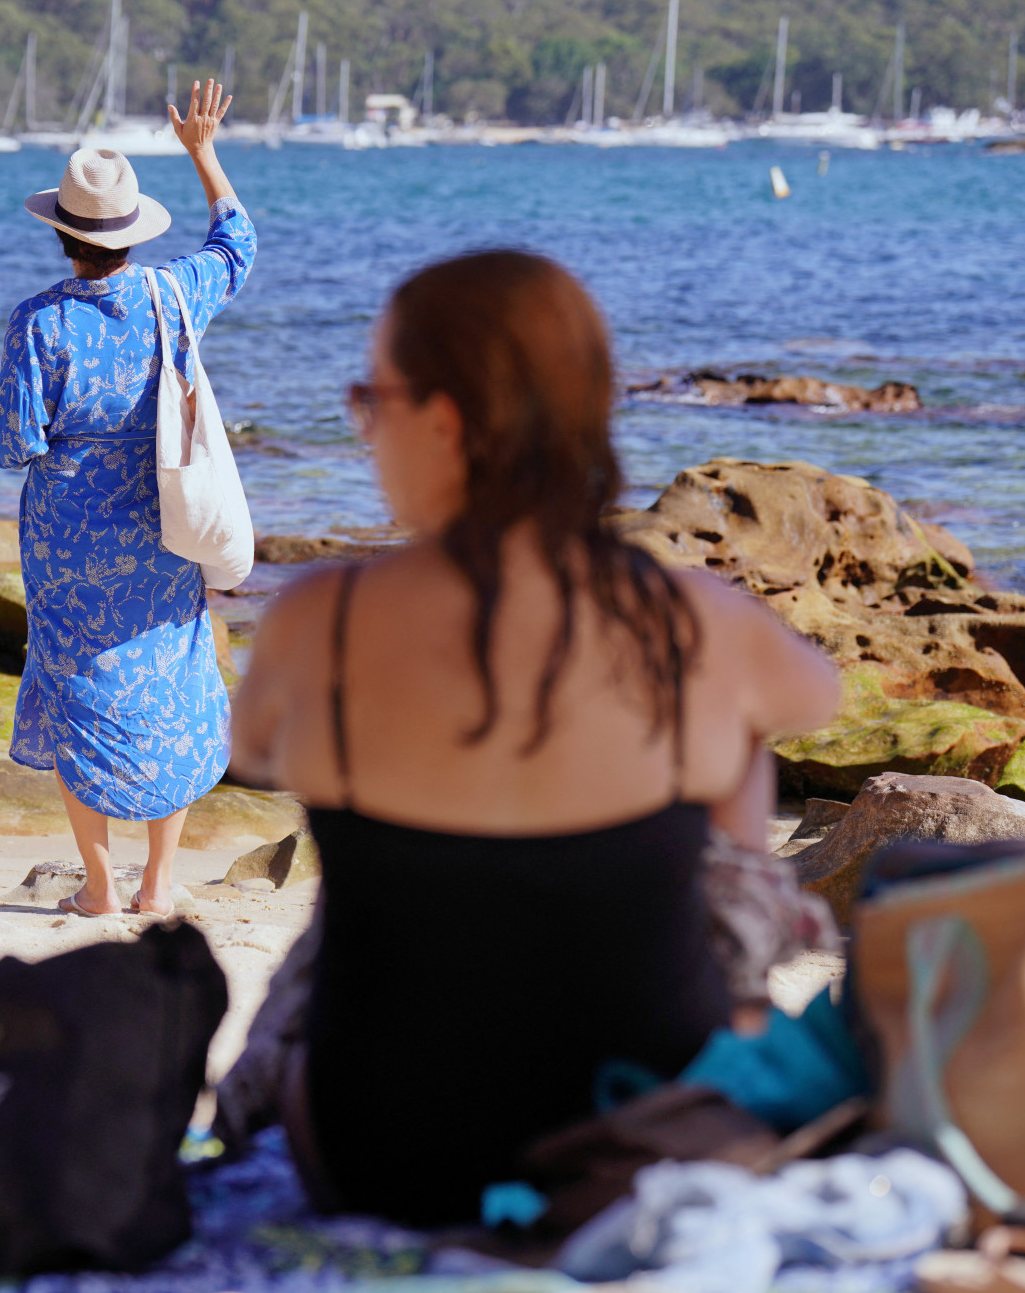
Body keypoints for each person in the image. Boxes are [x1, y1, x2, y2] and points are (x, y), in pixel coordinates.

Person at [230, 251, 841, 1226]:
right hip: (643, 1139)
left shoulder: (321, 619)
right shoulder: (688, 618)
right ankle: (735, 1012)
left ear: (444, 419)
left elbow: (255, 746)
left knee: (355, 900)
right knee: (734, 742)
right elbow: (817, 694)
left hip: (382, 1156)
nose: (364, 428)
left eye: (369, 399)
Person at [0, 80, 253, 920]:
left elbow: (12, 446)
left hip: (66, 538)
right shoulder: (174, 295)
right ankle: (157, 884)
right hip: (162, 523)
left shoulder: (39, 323)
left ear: (62, 233)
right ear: (132, 232)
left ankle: (98, 888)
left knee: (77, 692)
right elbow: (238, 243)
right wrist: (203, 152)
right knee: (169, 681)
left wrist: (1, 409)